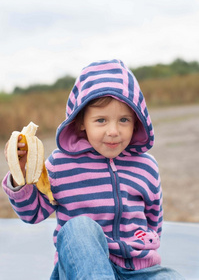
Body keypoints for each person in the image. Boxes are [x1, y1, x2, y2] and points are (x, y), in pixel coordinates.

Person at [2, 59, 184, 279]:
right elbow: (32, 213)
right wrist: (19, 174)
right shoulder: (61, 164)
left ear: (137, 121)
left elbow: (154, 220)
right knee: (78, 227)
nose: (113, 131)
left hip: (138, 270)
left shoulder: (146, 167)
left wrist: (143, 245)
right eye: (101, 120)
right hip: (83, 270)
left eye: (124, 119)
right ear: (81, 122)